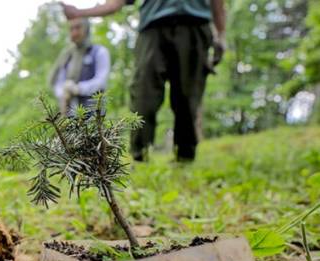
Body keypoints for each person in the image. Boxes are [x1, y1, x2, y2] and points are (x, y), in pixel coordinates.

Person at [61, 0, 226, 162]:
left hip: (195, 24)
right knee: (143, 93)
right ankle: (140, 154)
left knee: (188, 94)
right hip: (152, 29)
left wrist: (221, 33)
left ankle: (185, 156)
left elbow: (218, 3)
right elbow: (114, 3)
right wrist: (79, 13)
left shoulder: (98, 53)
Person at [51, 17, 110, 118]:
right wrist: (63, 92)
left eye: (78, 28)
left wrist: (78, 88)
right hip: (70, 114)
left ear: (86, 29)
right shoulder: (67, 57)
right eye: (71, 29)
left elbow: (101, 81)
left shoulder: (99, 52)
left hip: (94, 115)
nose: (74, 33)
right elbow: (58, 83)